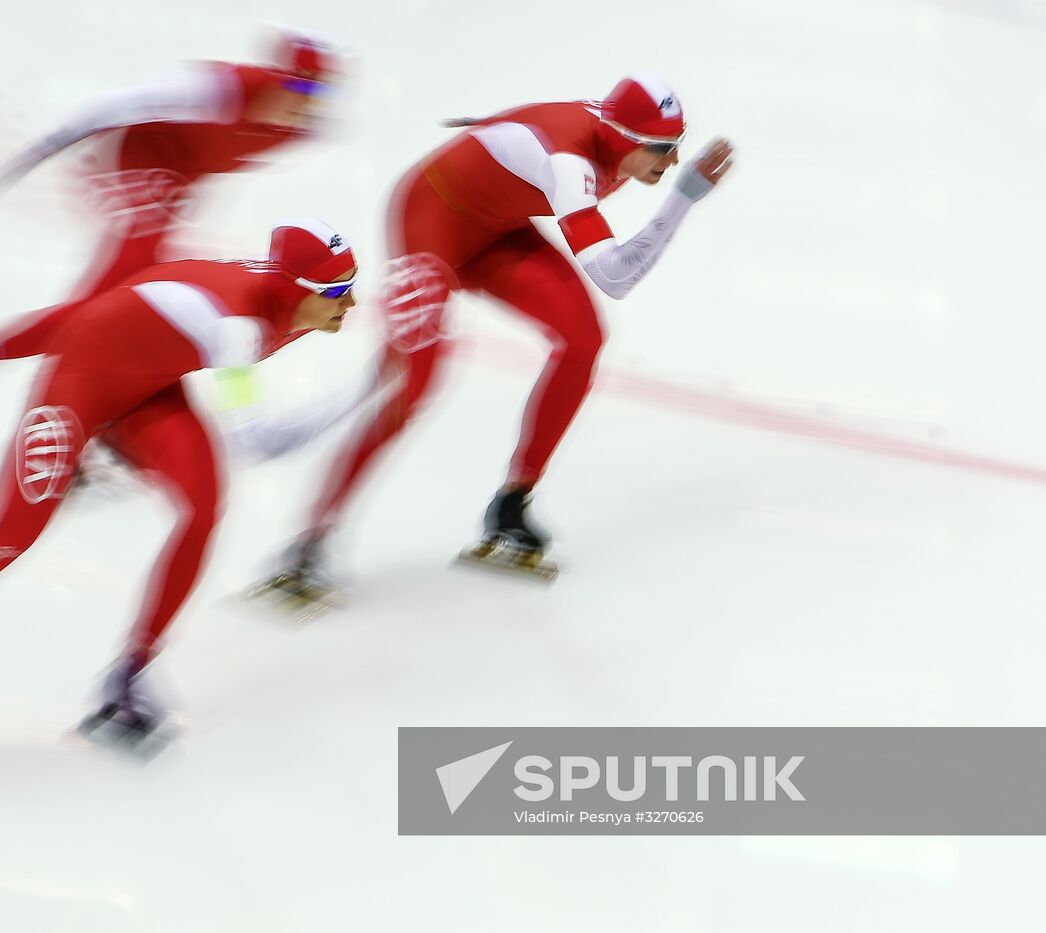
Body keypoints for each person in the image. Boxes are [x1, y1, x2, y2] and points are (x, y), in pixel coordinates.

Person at [0, 220, 358, 780]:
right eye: (337, 293)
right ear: (294, 289)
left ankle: (128, 676)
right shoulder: (237, 327)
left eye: (353, 284)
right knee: (4, 541)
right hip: (79, 390)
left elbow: (117, 303)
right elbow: (261, 441)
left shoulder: (282, 298)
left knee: (204, 507)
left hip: (151, 389)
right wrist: (372, 388)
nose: (352, 303)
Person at [264, 74, 735, 593]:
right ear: (621, 136)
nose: (671, 164)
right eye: (661, 150)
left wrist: (488, 133)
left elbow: (541, 113)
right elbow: (616, 278)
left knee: (583, 339)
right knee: (416, 383)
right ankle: (311, 538)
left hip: (498, 231)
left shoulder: (608, 133)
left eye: (676, 149)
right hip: (431, 223)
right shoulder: (571, 166)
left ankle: (512, 504)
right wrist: (683, 199)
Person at [0, 29, 341, 460]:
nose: (306, 100)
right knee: (112, 305)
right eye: (298, 84)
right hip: (130, 162)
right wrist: (45, 146)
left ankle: (7, 379)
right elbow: (121, 103)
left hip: (171, 185)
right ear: (275, 74)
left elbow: (215, 160)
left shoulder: (304, 130)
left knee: (117, 306)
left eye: (319, 93)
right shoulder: (223, 89)